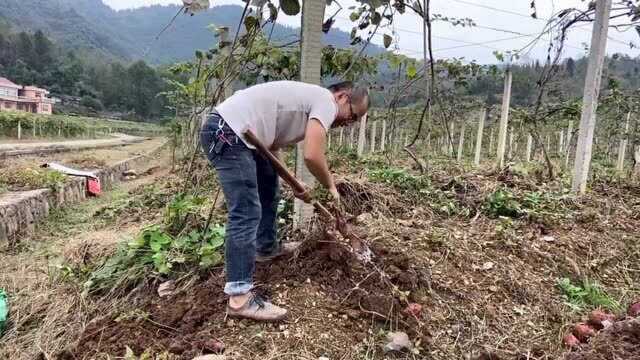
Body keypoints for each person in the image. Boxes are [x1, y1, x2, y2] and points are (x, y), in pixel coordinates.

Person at [200, 80, 369, 322]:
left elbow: (270, 147)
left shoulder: (307, 101)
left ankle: (266, 248)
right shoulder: (325, 100)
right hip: (228, 133)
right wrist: (330, 187)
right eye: (353, 116)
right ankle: (239, 298)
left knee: (269, 187)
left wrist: (295, 184)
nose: (348, 124)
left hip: (240, 135)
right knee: (246, 211)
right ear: (342, 97)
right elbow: (312, 155)